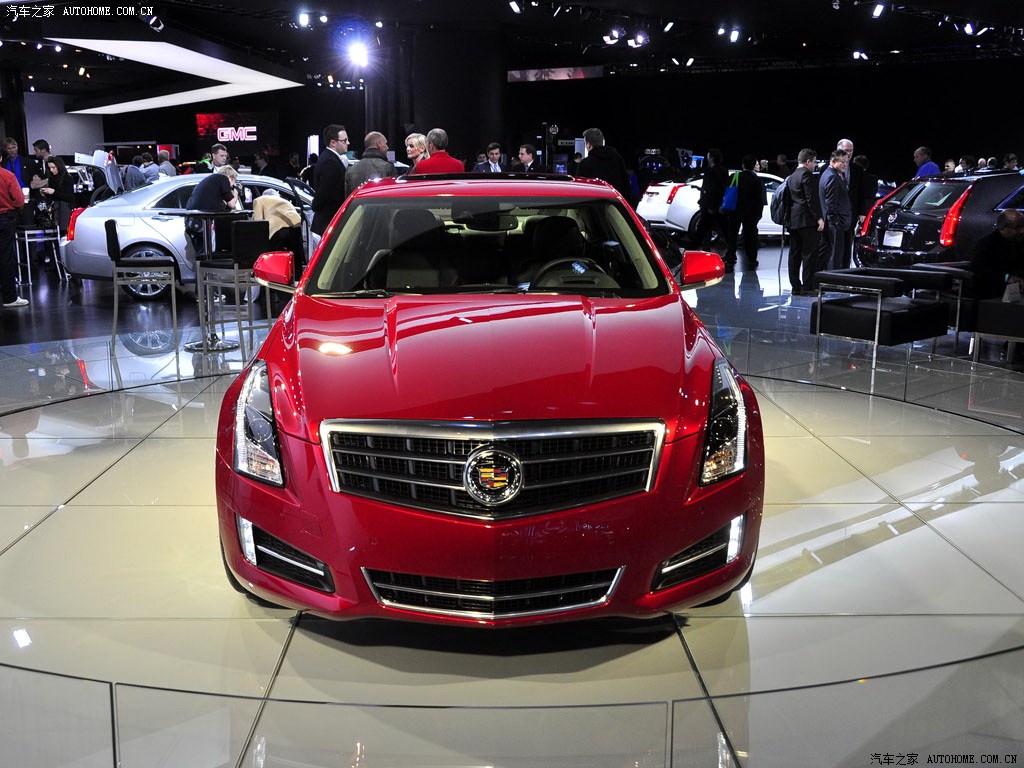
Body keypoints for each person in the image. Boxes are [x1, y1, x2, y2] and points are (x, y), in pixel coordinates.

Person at [786, 148, 825, 296]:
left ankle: (795, 287)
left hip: (794, 221)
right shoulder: (807, 175)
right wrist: (819, 218)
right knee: (809, 254)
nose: (815, 165)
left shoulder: (792, 176)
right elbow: (811, 200)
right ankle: (808, 286)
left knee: (794, 254)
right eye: (814, 162)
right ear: (808, 161)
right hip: (807, 221)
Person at [184, 164, 241, 258]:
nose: (232, 186)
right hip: (201, 223)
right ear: (230, 177)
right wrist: (236, 191)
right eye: (234, 181)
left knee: (201, 256)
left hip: (193, 222)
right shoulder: (223, 179)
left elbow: (221, 204)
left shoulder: (212, 182)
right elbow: (232, 204)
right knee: (206, 255)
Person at [968, 208, 1024, 299]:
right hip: (993, 293)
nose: (1022, 231)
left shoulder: (1019, 242)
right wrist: (1006, 277)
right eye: (1017, 227)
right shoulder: (986, 244)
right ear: (1003, 228)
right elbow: (978, 270)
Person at [723, 154, 765, 271]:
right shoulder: (757, 180)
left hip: (735, 211)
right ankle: (752, 259)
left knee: (733, 235)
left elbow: (727, 192)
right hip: (750, 213)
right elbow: (759, 199)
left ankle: (730, 257)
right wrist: (758, 214)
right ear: (753, 165)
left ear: (742, 165)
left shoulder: (735, 176)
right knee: (750, 236)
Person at [310, 124, 350, 235]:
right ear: (333, 143)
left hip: (327, 221)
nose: (348, 143)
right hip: (328, 222)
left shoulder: (328, 158)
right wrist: (315, 206)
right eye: (344, 140)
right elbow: (324, 193)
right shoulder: (330, 162)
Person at [576, 127, 632, 202]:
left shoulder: (584, 164)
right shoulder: (617, 158)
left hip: (593, 206)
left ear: (589, 145)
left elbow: (579, 191)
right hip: (616, 205)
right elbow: (626, 184)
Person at [819, 149, 853, 271]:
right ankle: (834, 278)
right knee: (835, 255)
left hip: (832, 222)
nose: (845, 165)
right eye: (842, 162)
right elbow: (831, 203)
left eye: (846, 162)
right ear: (833, 161)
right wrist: (836, 221)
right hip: (835, 224)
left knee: (829, 253)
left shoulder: (828, 174)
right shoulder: (832, 177)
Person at [0, 163, 27, 307]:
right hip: (4, 219)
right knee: (6, 258)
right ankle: (9, 298)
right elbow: (19, 200)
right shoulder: (7, 175)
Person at [692, 147, 728, 253]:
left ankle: (690, 251)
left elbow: (711, 189)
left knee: (702, 230)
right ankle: (731, 253)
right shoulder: (724, 170)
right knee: (724, 230)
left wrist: (709, 206)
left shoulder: (710, 171)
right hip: (720, 205)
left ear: (711, 157)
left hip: (710, 206)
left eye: (708, 155)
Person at [345, 131, 398, 196]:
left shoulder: (350, 169)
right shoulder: (388, 167)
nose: (387, 147)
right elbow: (392, 196)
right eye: (386, 144)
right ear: (379, 144)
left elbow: (348, 198)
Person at [39, 156, 75, 233]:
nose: (51, 170)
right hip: (55, 209)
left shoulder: (67, 178)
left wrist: (54, 192)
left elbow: (70, 197)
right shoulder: (52, 178)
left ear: (59, 166)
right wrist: (46, 193)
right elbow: (53, 196)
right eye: (49, 168)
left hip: (64, 209)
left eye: (53, 167)